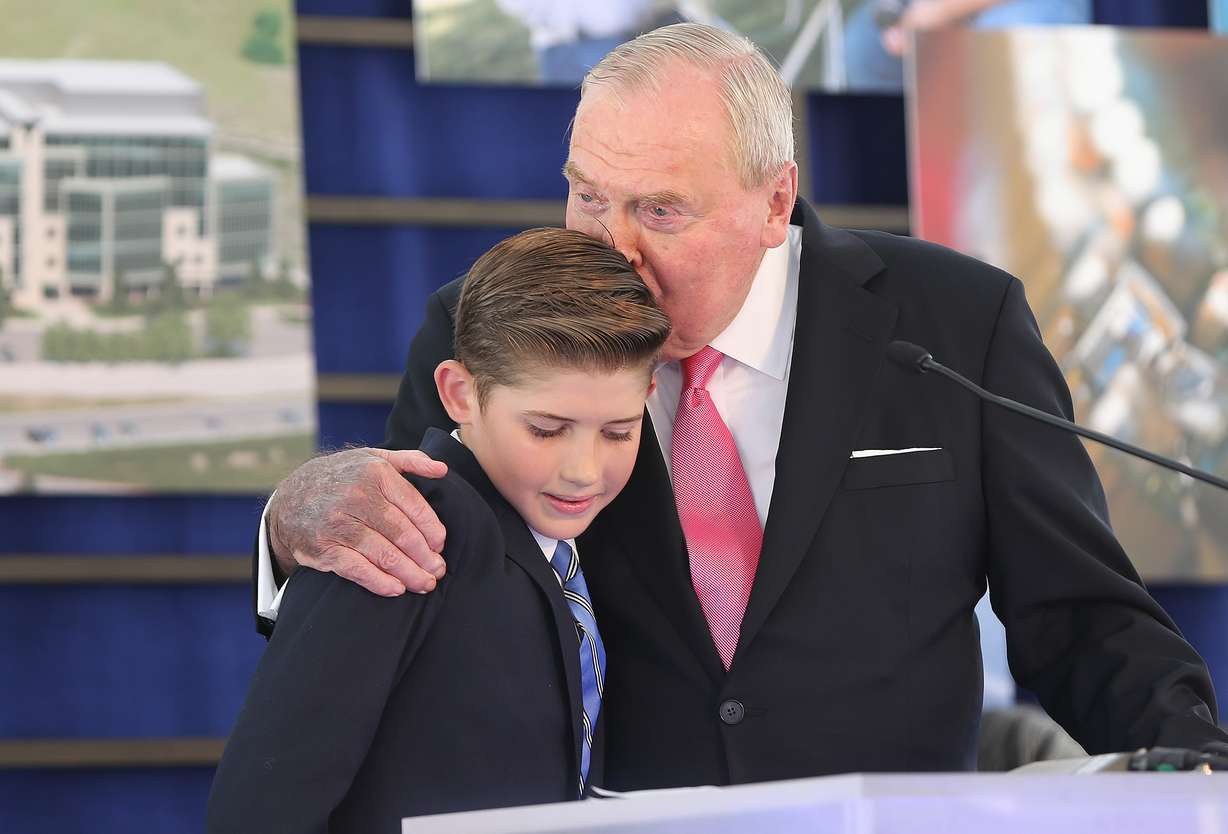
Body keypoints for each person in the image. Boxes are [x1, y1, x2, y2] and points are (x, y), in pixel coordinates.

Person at [257, 23, 1228, 791]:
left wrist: (1196, 767)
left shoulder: (953, 325)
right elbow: (400, 583)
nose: (611, 247)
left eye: (660, 211)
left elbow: (1077, 617)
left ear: (774, 203)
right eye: (589, 197)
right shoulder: (485, 329)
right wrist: (296, 522)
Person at [209, 228, 671, 831]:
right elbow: (258, 810)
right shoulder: (398, 526)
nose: (584, 471)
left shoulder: (554, 540)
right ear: (459, 392)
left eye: (617, 432)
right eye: (545, 429)